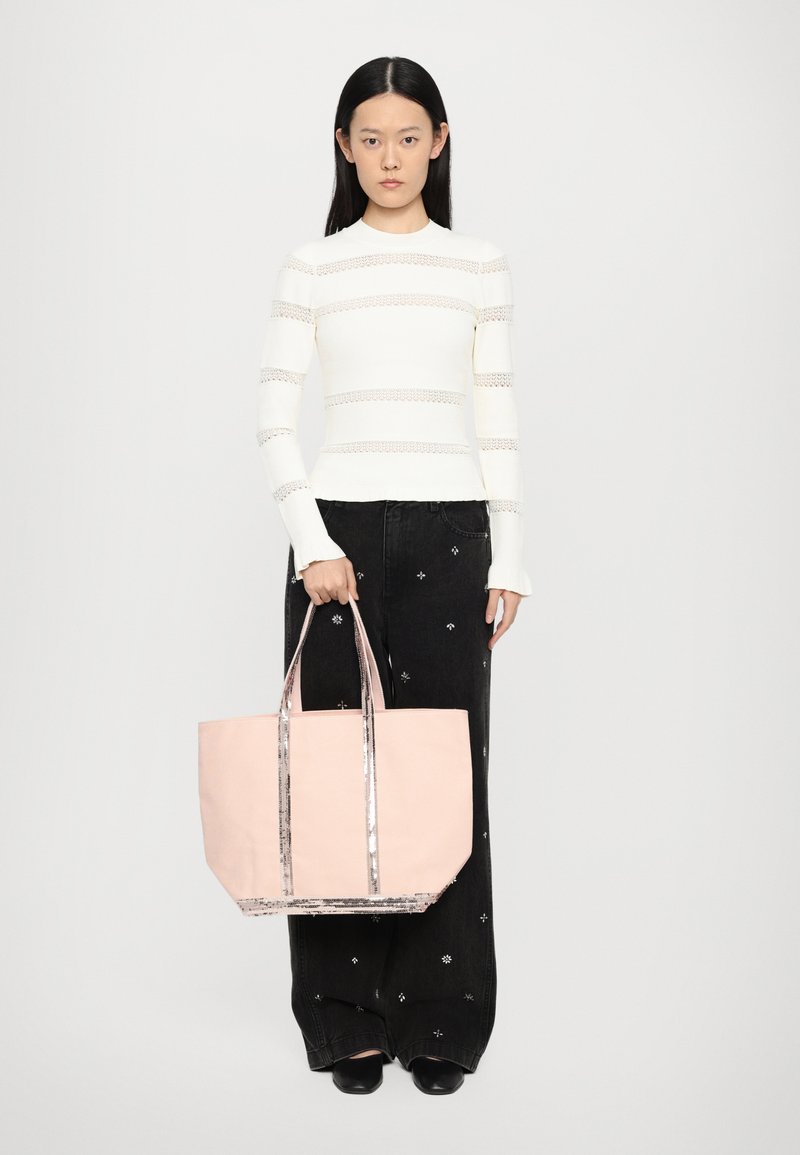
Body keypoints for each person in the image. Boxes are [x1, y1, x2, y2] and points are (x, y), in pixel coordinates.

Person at [256, 55, 532, 1095]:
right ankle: (345, 1024)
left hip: (453, 530)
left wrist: (511, 552)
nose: (388, 157)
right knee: (333, 776)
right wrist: (311, 541)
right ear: (343, 146)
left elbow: (496, 414)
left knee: (444, 778)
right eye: (368, 138)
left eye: (407, 137)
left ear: (439, 142)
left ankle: (443, 1022)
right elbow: (273, 417)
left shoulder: (477, 264)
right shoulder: (313, 265)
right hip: (335, 534)